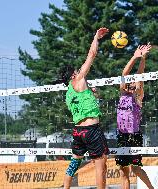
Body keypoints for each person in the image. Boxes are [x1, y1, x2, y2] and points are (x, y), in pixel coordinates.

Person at [59, 27, 109, 189]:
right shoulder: (79, 79)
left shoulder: (68, 93)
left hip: (78, 132)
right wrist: (96, 38)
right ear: (73, 75)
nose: (79, 70)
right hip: (91, 130)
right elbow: (91, 55)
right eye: (76, 70)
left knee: (74, 163)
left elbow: (85, 102)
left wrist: (92, 93)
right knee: (101, 165)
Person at [115, 44, 154, 189]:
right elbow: (124, 74)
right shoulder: (123, 93)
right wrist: (134, 56)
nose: (132, 83)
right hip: (122, 135)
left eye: (134, 82)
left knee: (135, 169)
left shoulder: (138, 95)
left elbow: (140, 74)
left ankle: (151, 188)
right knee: (123, 171)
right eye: (130, 82)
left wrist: (143, 58)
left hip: (134, 135)